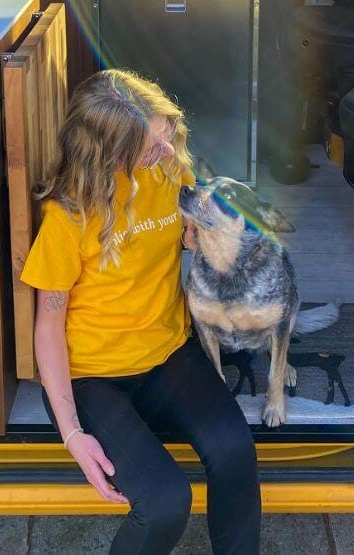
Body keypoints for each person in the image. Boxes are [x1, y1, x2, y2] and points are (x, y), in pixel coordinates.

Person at [20, 69, 261, 554]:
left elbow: (194, 232)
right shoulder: (68, 216)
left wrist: (205, 237)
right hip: (92, 376)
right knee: (166, 501)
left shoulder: (169, 171)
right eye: (152, 145)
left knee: (235, 451)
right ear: (108, 152)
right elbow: (47, 328)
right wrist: (72, 434)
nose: (168, 151)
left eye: (167, 134)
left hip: (167, 353)